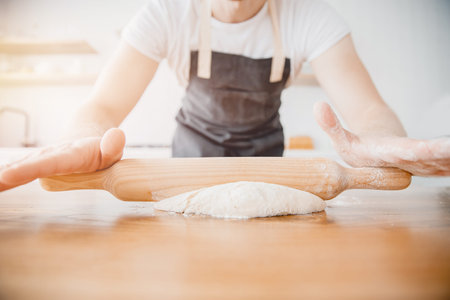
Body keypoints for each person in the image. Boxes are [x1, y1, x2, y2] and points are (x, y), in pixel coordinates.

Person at [0, 0, 449, 192]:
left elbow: (369, 110)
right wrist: (84, 138)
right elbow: (101, 107)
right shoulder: (166, 13)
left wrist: (382, 143)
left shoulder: (309, 16)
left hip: (268, 172)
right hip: (184, 172)